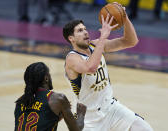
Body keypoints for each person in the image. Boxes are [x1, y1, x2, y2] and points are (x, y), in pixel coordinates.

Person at [63, 3, 153, 131]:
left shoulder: (96, 45)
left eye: (85, 29)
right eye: (80, 31)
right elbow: (90, 68)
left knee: (145, 129)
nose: (85, 32)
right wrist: (103, 37)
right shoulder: (72, 59)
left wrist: (124, 16)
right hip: (89, 118)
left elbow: (130, 41)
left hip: (111, 108)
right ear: (71, 38)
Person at [14, 62, 86, 131]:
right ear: (46, 78)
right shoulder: (58, 99)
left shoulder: (20, 101)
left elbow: (36, 125)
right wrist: (81, 114)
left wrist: (57, 116)